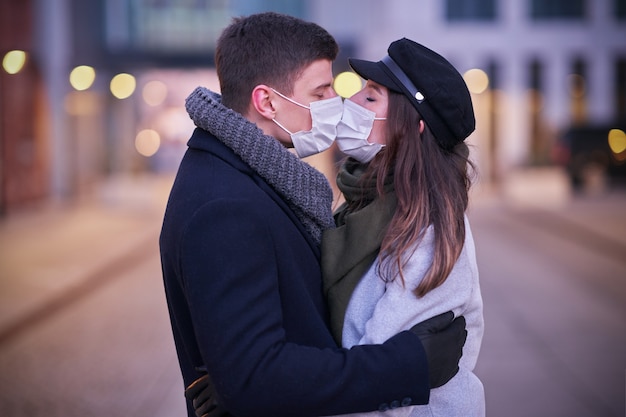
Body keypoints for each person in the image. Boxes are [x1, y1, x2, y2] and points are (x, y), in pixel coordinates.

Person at [160, 13, 467, 417]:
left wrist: (235, 372)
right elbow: (254, 379)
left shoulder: (257, 178)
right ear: (267, 101)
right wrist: (406, 367)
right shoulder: (226, 207)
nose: (336, 106)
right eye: (321, 93)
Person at [321, 38, 485, 416]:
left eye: (372, 96)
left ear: (414, 126)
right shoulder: (362, 206)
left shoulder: (429, 229)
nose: (355, 101)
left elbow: (381, 380)